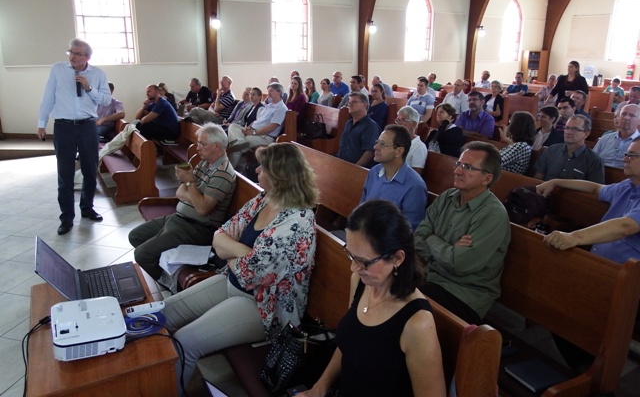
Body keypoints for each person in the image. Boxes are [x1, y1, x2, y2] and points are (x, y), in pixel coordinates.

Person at [162, 143, 319, 392]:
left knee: (185, 342)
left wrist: (232, 253)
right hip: (233, 283)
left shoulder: (296, 222)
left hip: (264, 306)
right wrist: (244, 253)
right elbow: (221, 235)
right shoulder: (264, 199)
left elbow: (249, 275)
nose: (257, 170)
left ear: (278, 176)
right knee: (164, 313)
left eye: (263, 168)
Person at [300, 200, 446, 397]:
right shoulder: (361, 282)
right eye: (351, 256)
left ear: (397, 258)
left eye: (364, 262)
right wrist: (319, 388)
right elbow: (349, 343)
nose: (354, 268)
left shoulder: (417, 322)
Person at [414, 141, 510, 324]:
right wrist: (449, 250)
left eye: (467, 167)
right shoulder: (447, 197)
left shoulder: (492, 214)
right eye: (458, 164)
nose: (457, 170)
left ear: (487, 179)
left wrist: (433, 239)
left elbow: (460, 264)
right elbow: (417, 239)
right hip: (430, 276)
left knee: (403, 307)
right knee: (377, 278)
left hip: (463, 294)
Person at [128, 123, 236, 280]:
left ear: (217, 146)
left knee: (142, 255)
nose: (197, 147)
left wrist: (191, 183)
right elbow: (179, 192)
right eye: (198, 142)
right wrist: (195, 195)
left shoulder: (223, 174)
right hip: (179, 218)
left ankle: (170, 284)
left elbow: (202, 209)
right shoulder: (205, 163)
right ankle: (166, 265)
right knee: (135, 236)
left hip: (197, 228)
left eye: (202, 144)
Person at [37, 38, 111, 235]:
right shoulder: (57, 69)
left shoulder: (98, 74)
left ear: (87, 56)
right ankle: (66, 217)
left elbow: (105, 99)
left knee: (89, 170)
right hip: (64, 127)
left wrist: (89, 88)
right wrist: (42, 123)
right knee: (65, 174)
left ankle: (87, 209)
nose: (73, 57)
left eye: (78, 53)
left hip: (88, 126)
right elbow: (48, 96)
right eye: (70, 52)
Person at [536, 138, 640, 265]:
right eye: (626, 155)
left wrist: (573, 237)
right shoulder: (627, 186)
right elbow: (595, 188)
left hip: (626, 276)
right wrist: (556, 182)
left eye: (632, 156)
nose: (624, 160)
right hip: (600, 264)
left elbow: (626, 226)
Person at [361, 126, 428, 231]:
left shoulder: (414, 186)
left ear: (399, 151)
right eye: (377, 142)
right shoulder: (374, 172)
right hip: (365, 234)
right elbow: (362, 210)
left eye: (382, 144)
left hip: (388, 244)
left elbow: (410, 231)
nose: (375, 147)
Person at [227, 82, 288, 168]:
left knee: (237, 147)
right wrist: (248, 128)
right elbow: (258, 120)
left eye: (271, 91)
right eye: (268, 91)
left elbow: (272, 127)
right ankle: (239, 141)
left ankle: (230, 172)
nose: (269, 93)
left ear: (279, 92)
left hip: (265, 137)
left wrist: (253, 132)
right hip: (254, 132)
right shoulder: (269, 106)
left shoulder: (281, 108)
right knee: (233, 126)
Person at [534, 115, 605, 183]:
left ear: (586, 134)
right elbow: (538, 178)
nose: (568, 132)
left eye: (574, 129)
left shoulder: (594, 161)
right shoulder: (551, 150)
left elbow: (593, 190)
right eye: (567, 128)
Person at [336, 92, 379, 167]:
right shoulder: (349, 123)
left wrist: (355, 168)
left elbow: (369, 152)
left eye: (354, 102)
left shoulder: (370, 126)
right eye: (349, 102)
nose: (350, 105)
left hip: (356, 168)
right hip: (342, 163)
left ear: (364, 105)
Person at [593, 104, 640, 168]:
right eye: (623, 114)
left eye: (632, 115)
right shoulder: (605, 138)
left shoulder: (638, 142)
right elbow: (592, 159)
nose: (626, 118)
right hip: (600, 174)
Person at [395, 106, 428, 174]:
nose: (398, 123)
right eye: (398, 120)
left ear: (414, 124)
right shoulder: (393, 139)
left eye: (403, 120)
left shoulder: (419, 147)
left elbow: (416, 176)